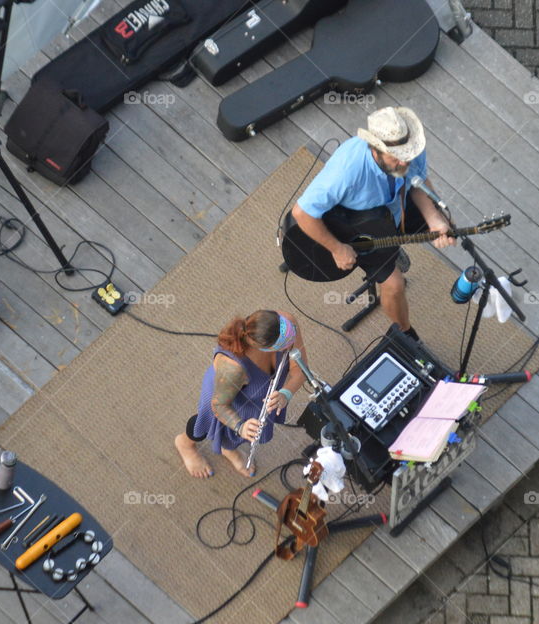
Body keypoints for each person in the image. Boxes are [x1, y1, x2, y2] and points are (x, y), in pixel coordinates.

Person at [290, 106, 455, 340]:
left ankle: (399, 247)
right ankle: (405, 334)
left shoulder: (409, 152)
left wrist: (434, 218)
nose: (404, 162)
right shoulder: (347, 170)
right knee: (395, 285)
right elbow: (302, 213)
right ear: (375, 150)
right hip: (357, 226)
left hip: (393, 206)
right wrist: (337, 249)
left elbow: (417, 182)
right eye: (396, 157)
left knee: (448, 223)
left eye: (407, 155)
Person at [175, 310, 308, 478]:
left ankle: (228, 449)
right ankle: (185, 444)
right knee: (211, 425)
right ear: (265, 347)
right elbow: (219, 405)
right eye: (287, 345)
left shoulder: (286, 323)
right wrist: (240, 426)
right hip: (224, 395)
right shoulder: (232, 368)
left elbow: (300, 370)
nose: (293, 344)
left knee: (246, 430)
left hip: (257, 393)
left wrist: (286, 393)